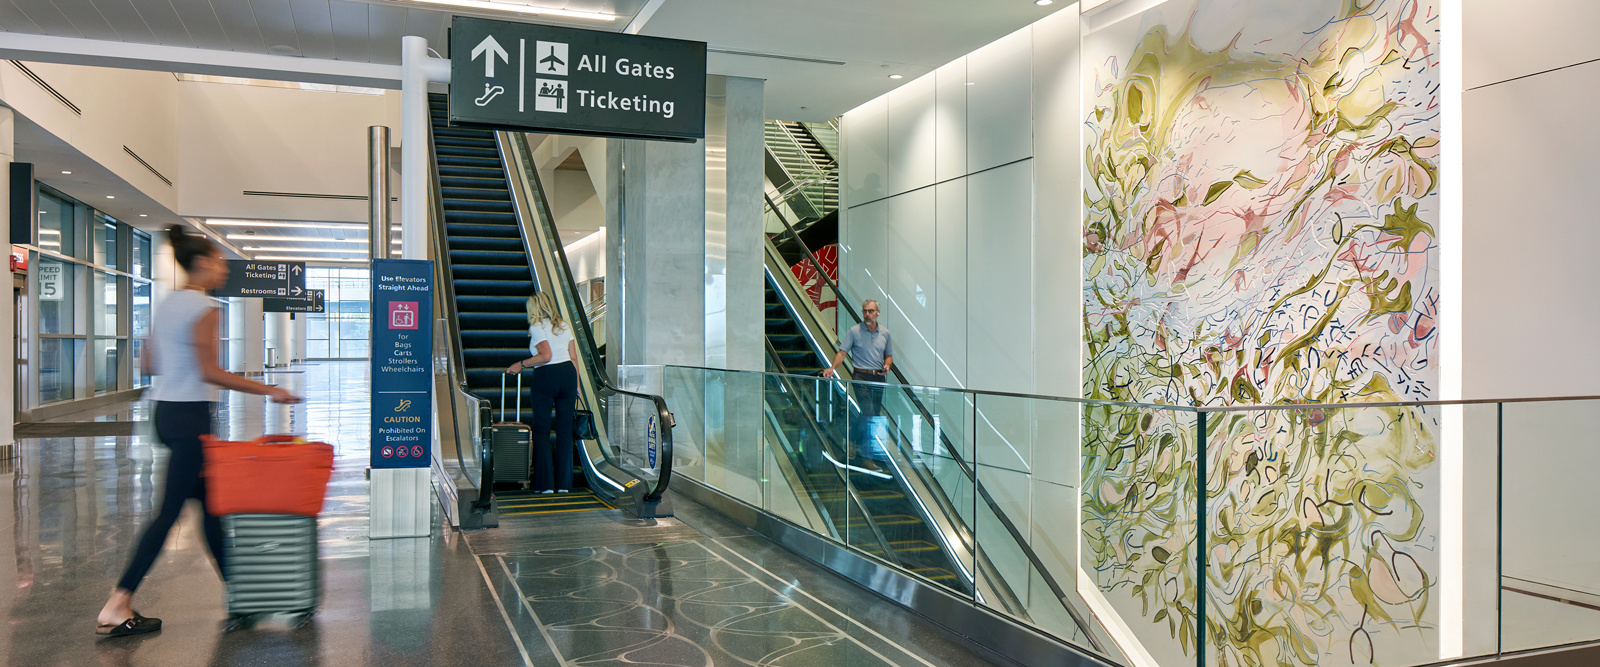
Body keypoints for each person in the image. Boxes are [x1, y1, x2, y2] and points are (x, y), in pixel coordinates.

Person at [95, 225, 302, 637]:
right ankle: (118, 602)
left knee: (212, 507)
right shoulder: (205, 308)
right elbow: (211, 372)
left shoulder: (168, 302)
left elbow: (149, 362)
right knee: (170, 512)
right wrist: (269, 389)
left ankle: (242, 597)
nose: (224, 270)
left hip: (165, 414)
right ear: (203, 262)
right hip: (190, 418)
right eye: (221, 262)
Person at [504, 290, 580, 494]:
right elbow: (573, 357)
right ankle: (564, 485)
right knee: (565, 431)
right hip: (568, 375)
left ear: (534, 308)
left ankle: (545, 485)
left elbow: (546, 356)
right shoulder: (563, 325)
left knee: (542, 430)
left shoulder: (537, 326)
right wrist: (578, 386)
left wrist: (521, 364)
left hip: (547, 376)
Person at [822, 299, 893, 471]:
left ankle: (865, 456)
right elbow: (842, 352)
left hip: (878, 377)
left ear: (877, 313)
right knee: (868, 411)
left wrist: (887, 365)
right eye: (865, 311)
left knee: (873, 416)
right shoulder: (854, 331)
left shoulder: (885, 333)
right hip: (860, 376)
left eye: (870, 311)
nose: (867, 314)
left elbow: (888, 355)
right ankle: (854, 442)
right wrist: (832, 367)